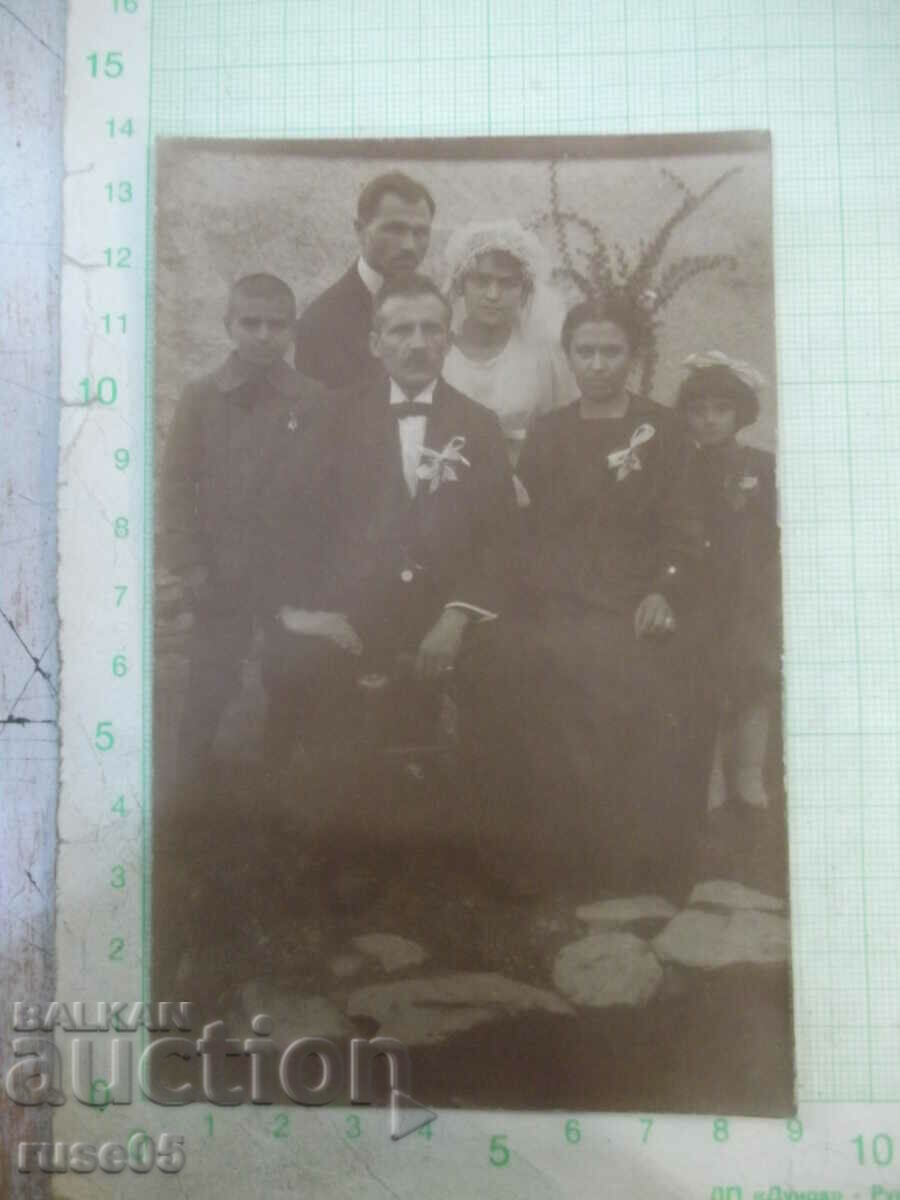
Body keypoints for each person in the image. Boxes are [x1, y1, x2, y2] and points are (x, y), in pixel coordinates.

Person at [467, 294, 706, 900]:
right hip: (560, 598)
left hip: (635, 599)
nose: (598, 364)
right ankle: (551, 861)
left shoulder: (666, 431)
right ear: (570, 356)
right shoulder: (551, 432)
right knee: (523, 677)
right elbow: (531, 529)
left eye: (611, 351)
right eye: (586, 351)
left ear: (633, 355)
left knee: (626, 683)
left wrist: (664, 590)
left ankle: (629, 865)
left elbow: (686, 522)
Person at [262, 273, 517, 765]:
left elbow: (499, 540)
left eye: (430, 329)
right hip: (352, 613)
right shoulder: (331, 416)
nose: (417, 344)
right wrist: (307, 613)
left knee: (506, 671)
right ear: (376, 343)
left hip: (443, 612)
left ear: (448, 340)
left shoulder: (478, 426)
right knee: (298, 669)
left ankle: (474, 821)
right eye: (401, 331)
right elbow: (293, 526)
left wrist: (457, 616)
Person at [158, 273, 333, 795]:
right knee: (211, 674)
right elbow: (175, 485)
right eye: (249, 323)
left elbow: (325, 489)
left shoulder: (313, 400)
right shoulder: (202, 396)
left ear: (292, 330)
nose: (262, 335)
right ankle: (191, 777)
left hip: (289, 573)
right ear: (228, 326)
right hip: (221, 568)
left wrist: (318, 571)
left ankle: (278, 771)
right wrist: (189, 565)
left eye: (275, 324)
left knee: (288, 671)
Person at [676, 350, 781, 817]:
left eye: (720, 410)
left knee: (755, 680)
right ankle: (711, 772)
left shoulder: (762, 466)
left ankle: (749, 772)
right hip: (703, 591)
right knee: (707, 681)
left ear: (740, 414)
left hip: (751, 590)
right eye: (698, 412)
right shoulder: (682, 467)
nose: (709, 421)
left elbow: (775, 530)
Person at [441, 220, 575, 471]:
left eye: (507, 283)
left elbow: (563, 430)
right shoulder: (440, 353)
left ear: (524, 291)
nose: (493, 294)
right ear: (461, 285)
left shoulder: (543, 356)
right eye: (481, 281)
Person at [293, 171, 435, 388]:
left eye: (420, 232)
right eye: (394, 230)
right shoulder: (320, 324)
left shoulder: (435, 309)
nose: (409, 245)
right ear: (360, 231)